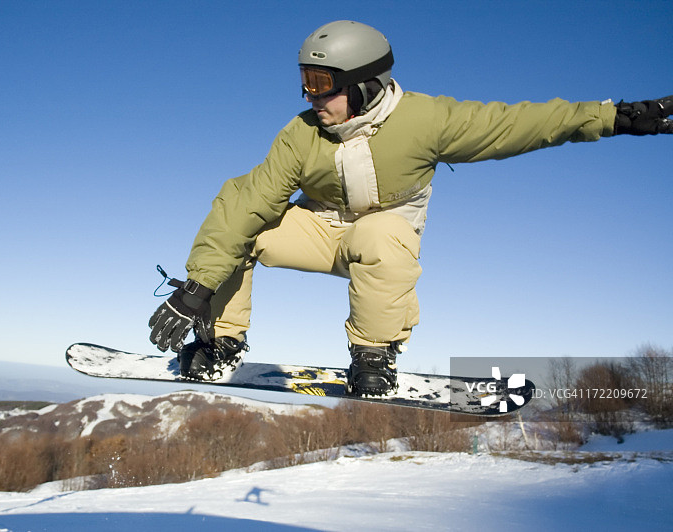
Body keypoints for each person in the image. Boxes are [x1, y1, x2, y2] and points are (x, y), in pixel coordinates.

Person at [149, 20, 672, 396]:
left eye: (322, 84)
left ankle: (374, 353)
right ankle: (222, 344)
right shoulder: (300, 133)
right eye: (306, 81)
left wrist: (614, 117)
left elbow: (519, 124)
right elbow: (249, 202)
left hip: (380, 239)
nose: (311, 96)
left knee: (381, 235)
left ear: (364, 83)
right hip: (319, 231)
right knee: (245, 221)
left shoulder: (425, 120)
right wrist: (198, 287)